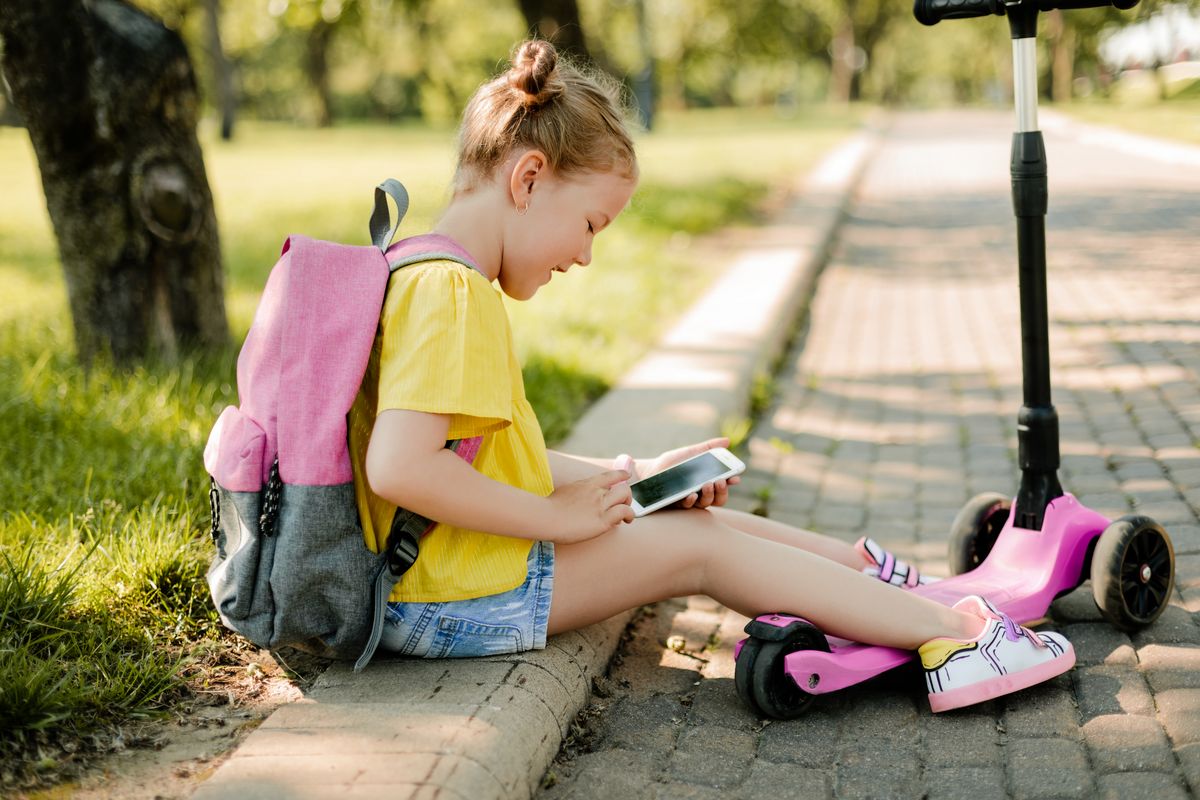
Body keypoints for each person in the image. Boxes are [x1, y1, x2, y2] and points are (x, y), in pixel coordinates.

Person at [347, 38, 1075, 713]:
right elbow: (402, 468)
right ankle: (958, 639)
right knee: (700, 550)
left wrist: (631, 476)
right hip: (447, 597)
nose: (586, 255)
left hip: (445, 582)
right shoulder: (454, 292)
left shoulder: (424, 271)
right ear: (529, 179)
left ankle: (893, 592)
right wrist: (555, 519)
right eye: (592, 224)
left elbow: (481, 456)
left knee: (690, 519)